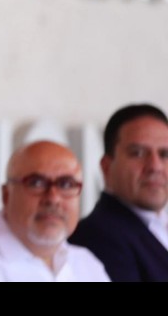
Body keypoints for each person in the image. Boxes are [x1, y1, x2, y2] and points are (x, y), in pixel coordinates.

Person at [0, 140, 110, 282]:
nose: (53, 198)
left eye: (66, 184)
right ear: (6, 195)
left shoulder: (87, 264)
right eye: (36, 183)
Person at [68, 103, 168, 281]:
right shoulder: (98, 236)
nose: (155, 166)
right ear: (107, 167)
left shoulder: (159, 224)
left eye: (164, 154)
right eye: (138, 153)